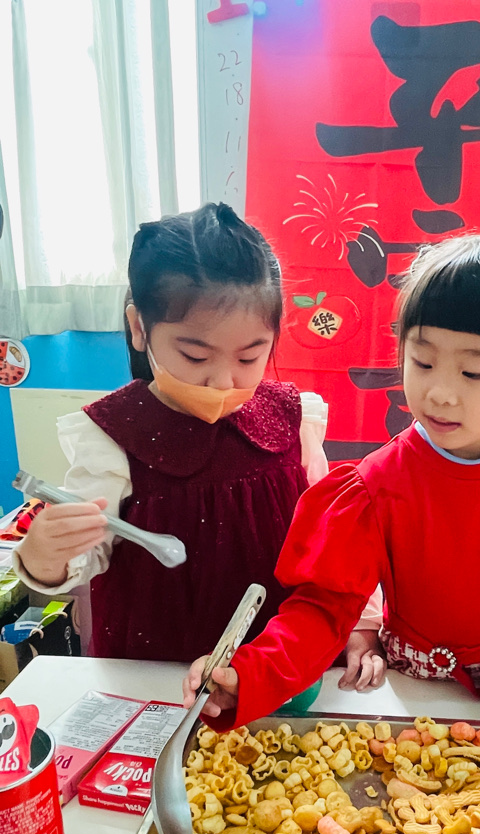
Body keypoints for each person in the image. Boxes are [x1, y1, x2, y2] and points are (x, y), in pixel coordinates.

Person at [183, 233, 480, 726]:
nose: (439, 393)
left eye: (473, 372)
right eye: (423, 362)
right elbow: (323, 610)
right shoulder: (375, 486)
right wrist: (254, 674)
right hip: (410, 696)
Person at [15, 203, 382, 681]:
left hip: (275, 669)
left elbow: (333, 537)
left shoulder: (293, 418)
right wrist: (45, 557)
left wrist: (362, 623)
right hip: (155, 672)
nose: (222, 381)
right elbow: (86, 554)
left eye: (249, 358)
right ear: (139, 328)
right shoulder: (111, 436)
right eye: (194, 355)